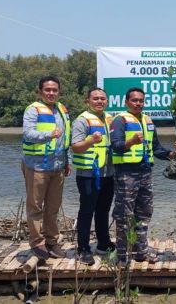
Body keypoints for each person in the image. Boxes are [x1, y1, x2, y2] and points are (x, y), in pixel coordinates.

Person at [110, 87, 176, 264]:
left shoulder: (148, 120)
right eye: (134, 100)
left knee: (144, 213)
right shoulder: (119, 120)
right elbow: (116, 146)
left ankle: (141, 251)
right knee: (125, 215)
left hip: (145, 173)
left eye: (141, 100)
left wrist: (170, 154)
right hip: (126, 174)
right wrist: (131, 141)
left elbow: (156, 148)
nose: (138, 103)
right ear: (126, 102)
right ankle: (123, 255)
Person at [22, 75, 71, 260]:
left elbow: (65, 138)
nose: (51, 93)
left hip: (57, 165)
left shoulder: (62, 110)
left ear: (59, 92)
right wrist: (48, 135)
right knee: (35, 206)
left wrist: (67, 161)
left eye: (54, 90)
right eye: (47, 90)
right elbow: (27, 133)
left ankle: (52, 241)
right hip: (36, 165)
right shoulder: (33, 109)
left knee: (53, 207)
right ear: (40, 91)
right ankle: (37, 243)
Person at [71, 87, 115, 265]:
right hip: (88, 174)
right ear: (87, 101)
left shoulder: (110, 119)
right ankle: (83, 248)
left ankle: (103, 243)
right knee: (87, 210)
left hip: (108, 173)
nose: (99, 101)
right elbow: (75, 146)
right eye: (95, 99)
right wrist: (90, 140)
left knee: (104, 210)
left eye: (103, 99)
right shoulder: (82, 121)